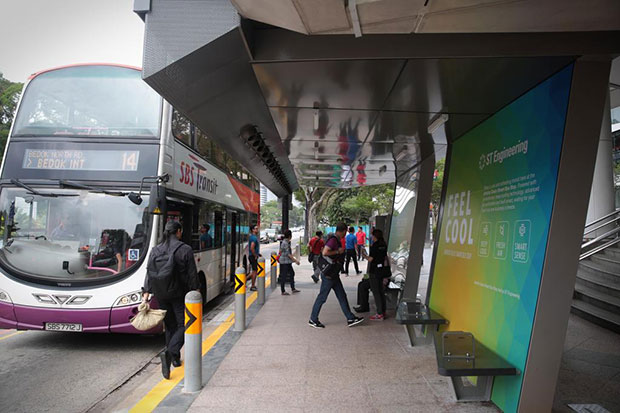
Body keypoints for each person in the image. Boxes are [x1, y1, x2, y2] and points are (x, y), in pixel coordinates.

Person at [142, 221, 200, 379]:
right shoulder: (185, 249)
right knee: (185, 325)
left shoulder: (155, 250)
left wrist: (146, 293)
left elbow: (149, 272)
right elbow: (192, 275)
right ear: (179, 231)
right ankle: (170, 352)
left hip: (161, 294)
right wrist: (196, 291)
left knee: (170, 325)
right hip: (179, 293)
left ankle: (174, 359)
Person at [309, 222, 364, 328]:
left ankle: (350, 318)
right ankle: (313, 319)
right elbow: (325, 252)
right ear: (343, 231)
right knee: (322, 297)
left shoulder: (336, 239)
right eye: (345, 232)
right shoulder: (333, 240)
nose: (345, 234)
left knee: (342, 296)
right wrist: (338, 252)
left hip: (333, 275)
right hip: (329, 276)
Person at [366, 229, 389, 320]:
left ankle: (379, 313)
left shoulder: (375, 246)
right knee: (381, 291)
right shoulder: (383, 244)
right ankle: (383, 311)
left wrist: (364, 255)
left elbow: (371, 259)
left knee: (376, 292)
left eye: (372, 235)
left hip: (374, 271)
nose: (371, 237)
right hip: (381, 270)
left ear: (374, 236)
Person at [279, 229, 300, 295]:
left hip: (286, 262)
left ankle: (293, 288)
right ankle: (283, 291)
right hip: (285, 262)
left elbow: (281, 251)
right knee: (284, 276)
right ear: (289, 236)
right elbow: (288, 254)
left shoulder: (284, 242)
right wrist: (296, 260)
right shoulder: (286, 243)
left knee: (291, 273)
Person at [248, 224, 260, 291]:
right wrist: (255, 255)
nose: (257, 230)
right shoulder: (254, 238)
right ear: (252, 230)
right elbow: (252, 248)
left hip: (252, 256)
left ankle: (243, 280)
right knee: (255, 271)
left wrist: (258, 254)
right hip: (252, 256)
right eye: (255, 228)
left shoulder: (252, 237)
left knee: (254, 271)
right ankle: (252, 286)